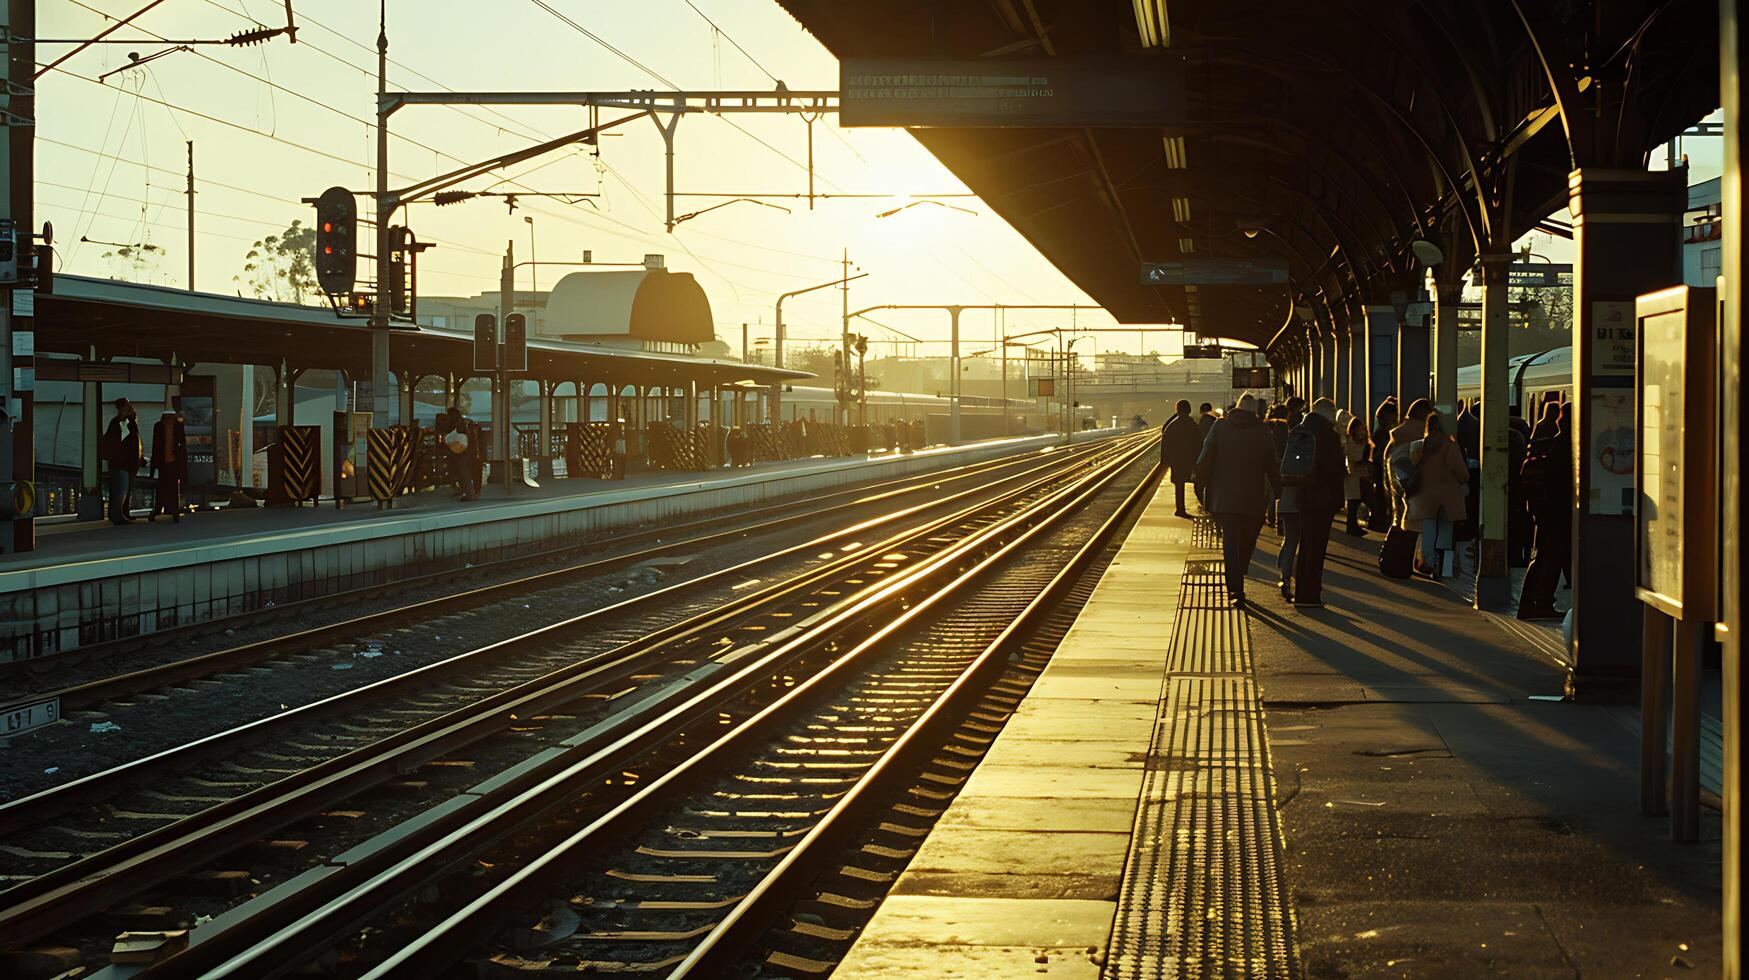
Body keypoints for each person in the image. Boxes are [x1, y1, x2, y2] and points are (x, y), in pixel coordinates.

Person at [1195, 393, 1280, 607]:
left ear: (1237, 407)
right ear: (1254, 412)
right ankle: (1239, 573)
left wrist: (1200, 486)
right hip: (1253, 497)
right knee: (1247, 542)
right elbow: (1272, 463)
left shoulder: (1220, 427)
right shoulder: (1262, 430)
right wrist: (1278, 492)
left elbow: (1206, 458)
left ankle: (1235, 590)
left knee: (1230, 544)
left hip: (1224, 499)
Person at [1283, 398, 1346, 606]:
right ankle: (1311, 594)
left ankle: (1302, 592)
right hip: (1323, 497)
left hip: (1303, 494)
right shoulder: (1328, 434)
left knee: (1306, 542)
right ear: (1328, 413)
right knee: (1316, 547)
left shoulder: (1300, 429)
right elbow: (1334, 469)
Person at [1517, 402, 1572, 619]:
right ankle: (1538, 602)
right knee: (1550, 557)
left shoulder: (1549, 444)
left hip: (1543, 510)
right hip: (1557, 512)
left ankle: (1533, 601)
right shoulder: (1565, 447)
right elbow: (1561, 483)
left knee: (1545, 556)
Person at [1404, 411, 1471, 578]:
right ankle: (1442, 568)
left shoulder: (1419, 446)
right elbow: (1461, 473)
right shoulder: (1450, 446)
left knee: (1428, 529)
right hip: (1446, 496)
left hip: (1425, 494)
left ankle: (1428, 561)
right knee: (1445, 530)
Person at [1384, 398, 1435, 529]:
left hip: (1396, 474)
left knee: (1398, 513)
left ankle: (1391, 544)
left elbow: (1386, 456)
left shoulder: (1397, 433)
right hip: (1416, 479)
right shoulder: (1422, 431)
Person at [101, 398, 142, 525]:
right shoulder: (121, 423)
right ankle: (118, 514)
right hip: (123, 461)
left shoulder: (123, 422)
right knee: (122, 489)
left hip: (125, 461)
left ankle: (122, 512)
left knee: (124, 488)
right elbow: (126, 441)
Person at [1160, 399, 1202, 518]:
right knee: (1193, 482)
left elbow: (1165, 443)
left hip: (1177, 461)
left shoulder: (1172, 425)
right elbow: (1199, 442)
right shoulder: (1192, 425)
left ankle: (1180, 509)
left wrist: (1165, 461)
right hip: (1189, 459)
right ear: (1188, 410)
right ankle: (1191, 507)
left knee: (1179, 484)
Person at [150, 409, 188, 523]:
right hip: (166, 461)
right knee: (166, 487)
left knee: (168, 487)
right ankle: (166, 510)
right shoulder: (160, 427)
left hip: (172, 462)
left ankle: (169, 510)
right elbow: (156, 445)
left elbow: (156, 446)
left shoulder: (176, 427)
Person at [1369, 400, 1398, 532]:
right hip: (1383, 469)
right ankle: (1383, 521)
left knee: (1380, 496)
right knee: (1384, 496)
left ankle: (1379, 520)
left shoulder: (1378, 433)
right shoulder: (1386, 434)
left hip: (1378, 470)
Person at [1342, 414, 1373, 536]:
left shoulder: (1359, 442)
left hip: (1359, 476)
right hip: (1353, 477)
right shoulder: (1351, 443)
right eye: (1361, 429)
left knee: (1355, 503)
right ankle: (1352, 528)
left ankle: (1354, 526)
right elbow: (1355, 458)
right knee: (1353, 504)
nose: (1363, 432)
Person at [1194, 402, 1219, 504]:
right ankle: (1209, 504)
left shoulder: (1196, 421)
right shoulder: (1215, 423)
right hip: (1212, 456)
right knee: (1210, 482)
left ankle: (1205, 504)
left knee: (1199, 483)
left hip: (1199, 456)